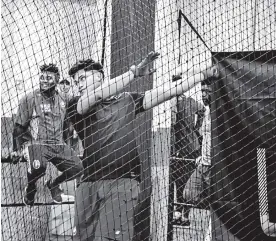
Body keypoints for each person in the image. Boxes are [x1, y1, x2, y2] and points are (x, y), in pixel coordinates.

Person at [67, 53, 218, 241]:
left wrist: (202, 75)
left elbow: (171, 90)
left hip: (122, 181)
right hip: (87, 183)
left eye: (82, 78)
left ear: (99, 76)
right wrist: (134, 73)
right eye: (75, 82)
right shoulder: (75, 104)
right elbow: (97, 94)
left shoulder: (128, 100)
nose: (78, 84)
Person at [11, 63, 83, 205]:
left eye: (48, 78)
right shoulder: (30, 98)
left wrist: (69, 145)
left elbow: (68, 123)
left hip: (57, 144)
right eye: (42, 77)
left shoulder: (64, 99)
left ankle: (53, 184)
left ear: (57, 80)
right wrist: (15, 150)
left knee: (78, 169)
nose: (44, 80)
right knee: (38, 167)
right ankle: (31, 188)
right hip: (36, 144)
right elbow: (18, 127)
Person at [182, 80, 212, 226]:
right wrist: (201, 155)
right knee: (188, 193)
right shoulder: (207, 111)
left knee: (220, 202)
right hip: (204, 163)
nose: (204, 94)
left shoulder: (222, 112)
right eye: (202, 91)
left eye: (208, 91)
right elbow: (206, 136)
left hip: (217, 166)